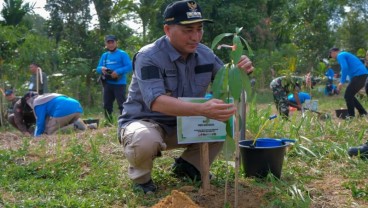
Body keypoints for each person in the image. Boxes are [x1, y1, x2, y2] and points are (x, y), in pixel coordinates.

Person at [118, 0, 254, 194]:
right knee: (144, 140)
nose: (195, 37)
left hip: (185, 123)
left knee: (224, 122)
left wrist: (240, 70)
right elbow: (156, 102)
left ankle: (189, 166)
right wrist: (202, 109)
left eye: (199, 29)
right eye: (187, 30)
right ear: (167, 29)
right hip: (147, 121)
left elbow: (224, 80)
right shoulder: (148, 56)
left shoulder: (205, 54)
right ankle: (142, 179)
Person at [96, 35, 132, 124]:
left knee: (122, 104)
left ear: (116, 43)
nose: (111, 44)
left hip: (119, 83)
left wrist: (118, 72)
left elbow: (130, 66)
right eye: (109, 43)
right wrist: (102, 69)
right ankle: (108, 122)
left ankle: (125, 122)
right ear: (106, 44)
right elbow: (98, 68)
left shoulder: (122, 54)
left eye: (112, 42)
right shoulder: (105, 55)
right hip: (108, 83)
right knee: (107, 104)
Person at [329, 47, 368, 117]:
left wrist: (341, 82)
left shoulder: (340, 55)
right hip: (362, 75)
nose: (332, 57)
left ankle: (351, 115)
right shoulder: (346, 54)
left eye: (331, 55)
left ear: (333, 52)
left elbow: (345, 68)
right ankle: (363, 112)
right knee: (350, 95)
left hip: (359, 75)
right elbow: (350, 70)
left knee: (347, 95)